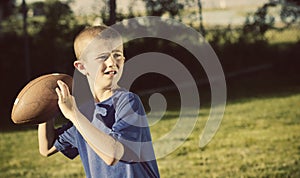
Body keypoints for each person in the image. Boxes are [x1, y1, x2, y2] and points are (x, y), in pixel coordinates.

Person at [38, 25, 160, 178]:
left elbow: (113, 155)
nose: (111, 63)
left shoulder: (127, 102)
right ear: (82, 67)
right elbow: (47, 148)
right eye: (102, 57)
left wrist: (73, 114)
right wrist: (45, 109)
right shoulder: (84, 114)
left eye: (117, 55)